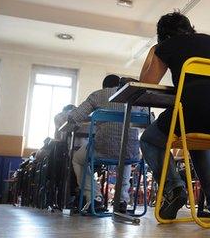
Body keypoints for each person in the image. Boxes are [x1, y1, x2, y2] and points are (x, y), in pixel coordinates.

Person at [139, 12, 210, 219]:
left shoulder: (168, 45)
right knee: (197, 139)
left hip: (194, 113)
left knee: (149, 140)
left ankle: (174, 188)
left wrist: (154, 51)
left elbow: (146, 83)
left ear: (163, 36)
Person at [55, 74, 146, 213]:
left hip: (102, 149)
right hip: (132, 153)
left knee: (77, 159)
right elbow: (149, 119)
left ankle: (94, 197)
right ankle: (121, 200)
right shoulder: (134, 97)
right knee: (125, 157)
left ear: (104, 87)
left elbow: (75, 117)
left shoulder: (98, 95)